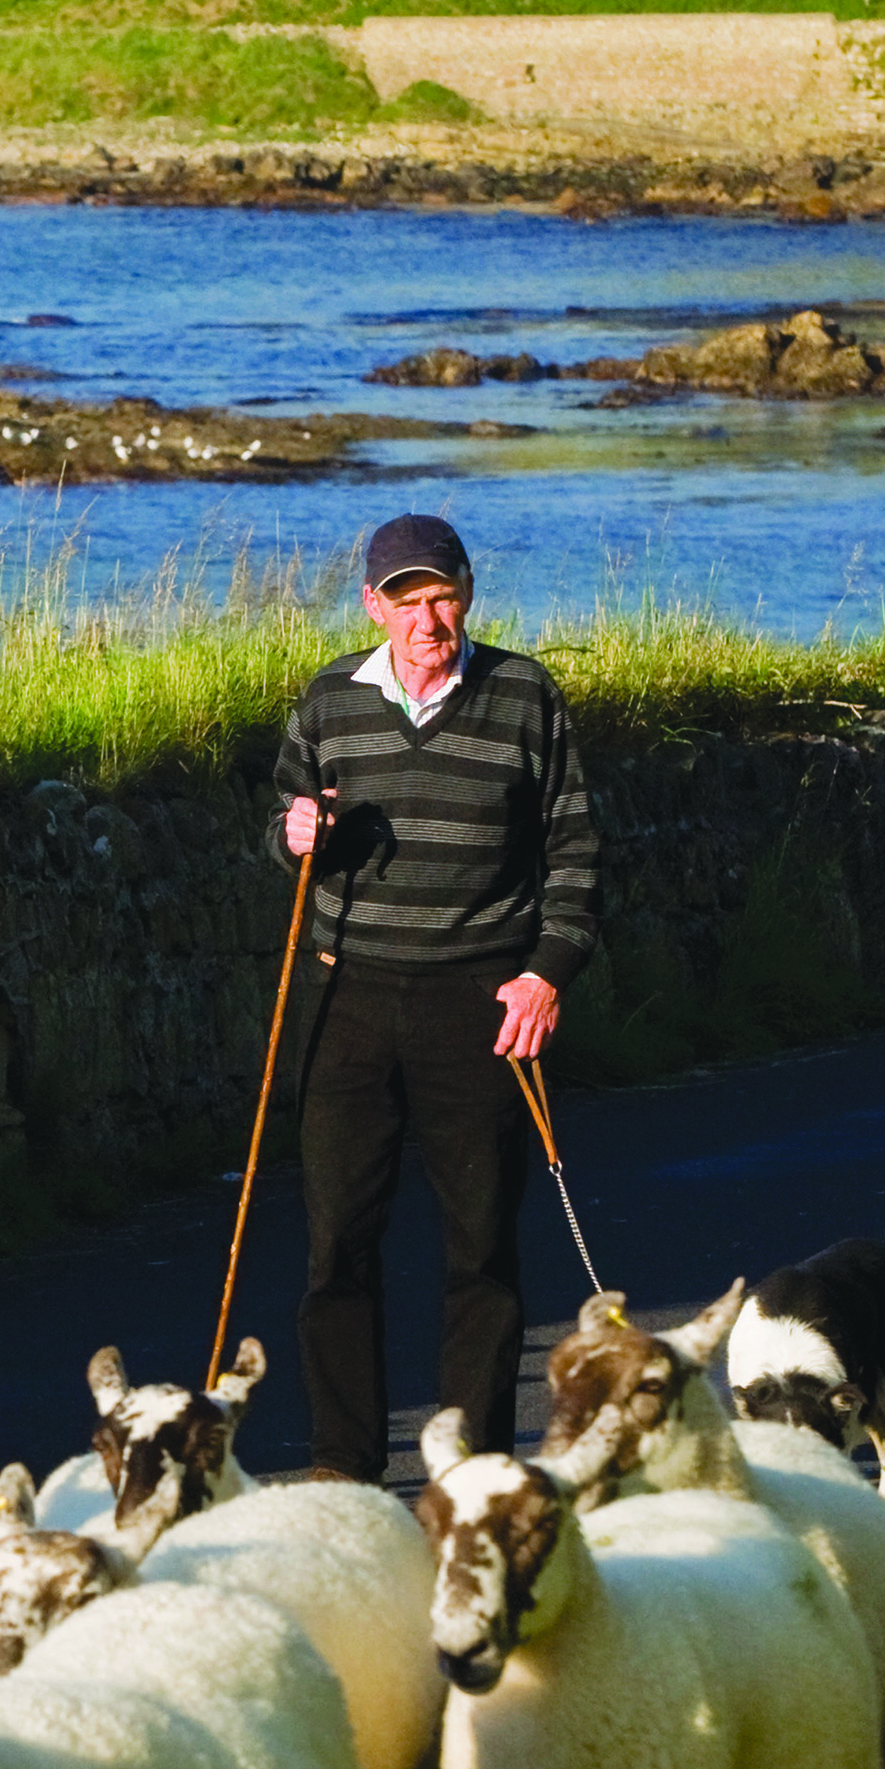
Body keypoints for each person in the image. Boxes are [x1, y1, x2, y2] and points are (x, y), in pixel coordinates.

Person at [271, 509, 600, 1485]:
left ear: (468, 596)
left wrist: (548, 974)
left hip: (481, 996)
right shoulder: (330, 700)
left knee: (482, 1249)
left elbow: (576, 848)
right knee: (337, 1246)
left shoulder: (524, 696)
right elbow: (280, 826)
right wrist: (296, 836)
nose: (428, 617)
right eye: (407, 599)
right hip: (349, 997)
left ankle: (475, 1478)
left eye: (442, 595)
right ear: (374, 605)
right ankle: (345, 1476)